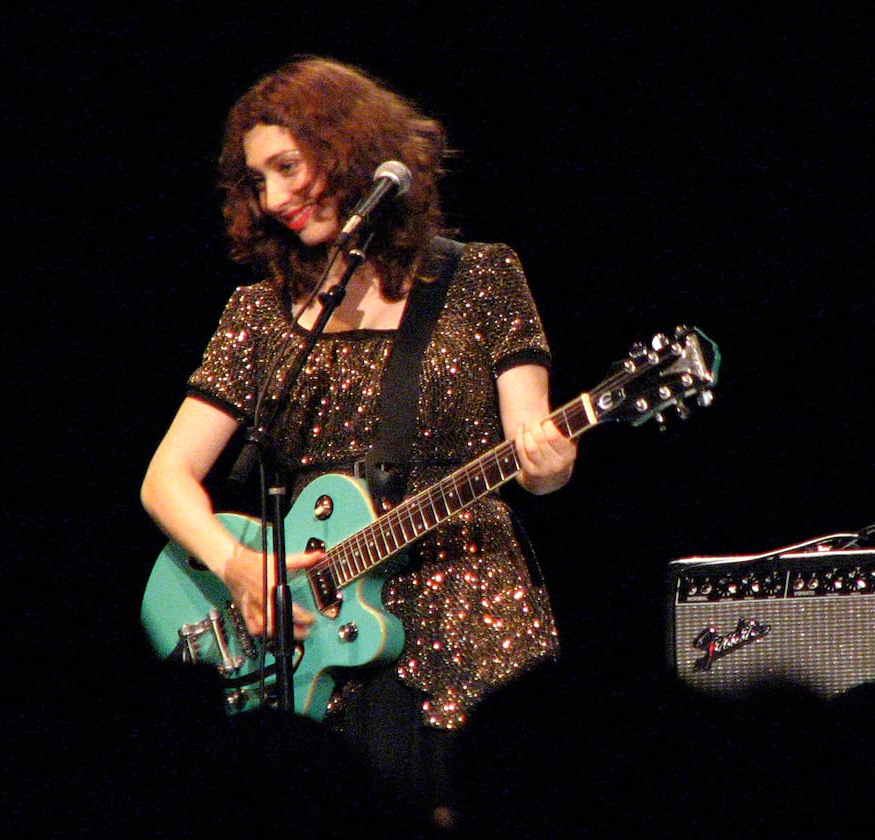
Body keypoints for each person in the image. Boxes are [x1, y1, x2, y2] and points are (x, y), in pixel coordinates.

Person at [140, 55, 576, 825]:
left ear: (346, 148)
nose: (273, 199)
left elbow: (533, 450)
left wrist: (550, 459)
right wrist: (239, 566)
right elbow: (166, 478)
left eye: (286, 168)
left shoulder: (477, 277)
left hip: (471, 623)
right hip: (314, 652)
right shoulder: (259, 314)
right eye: (256, 182)